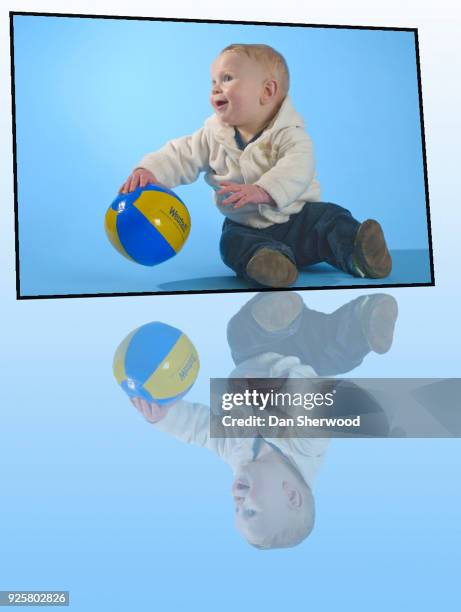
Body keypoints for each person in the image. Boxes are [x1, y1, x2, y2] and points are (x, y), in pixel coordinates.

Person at [119, 44, 392, 288]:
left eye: (227, 79)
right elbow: (180, 154)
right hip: (245, 225)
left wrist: (264, 190)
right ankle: (270, 264)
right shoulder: (212, 135)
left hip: (298, 216)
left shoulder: (290, 133)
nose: (215, 87)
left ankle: (360, 252)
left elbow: (299, 165)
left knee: (332, 219)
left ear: (267, 91)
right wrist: (150, 170)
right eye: (213, 81)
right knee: (232, 245)